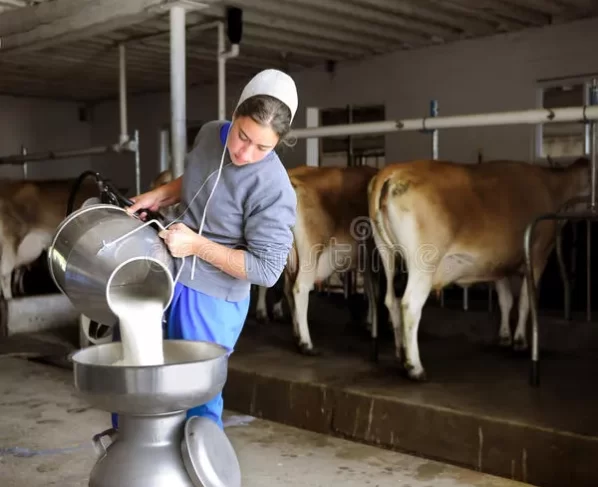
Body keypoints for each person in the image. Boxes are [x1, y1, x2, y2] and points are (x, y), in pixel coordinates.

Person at [113, 69, 298, 430]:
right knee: (135, 377)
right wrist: (157, 195)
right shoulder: (211, 133)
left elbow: (266, 270)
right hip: (167, 272)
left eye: (263, 147)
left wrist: (196, 245)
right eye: (243, 136)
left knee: (195, 396)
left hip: (211, 298)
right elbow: (199, 178)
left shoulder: (274, 190)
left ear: (278, 144)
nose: (245, 153)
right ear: (234, 115)